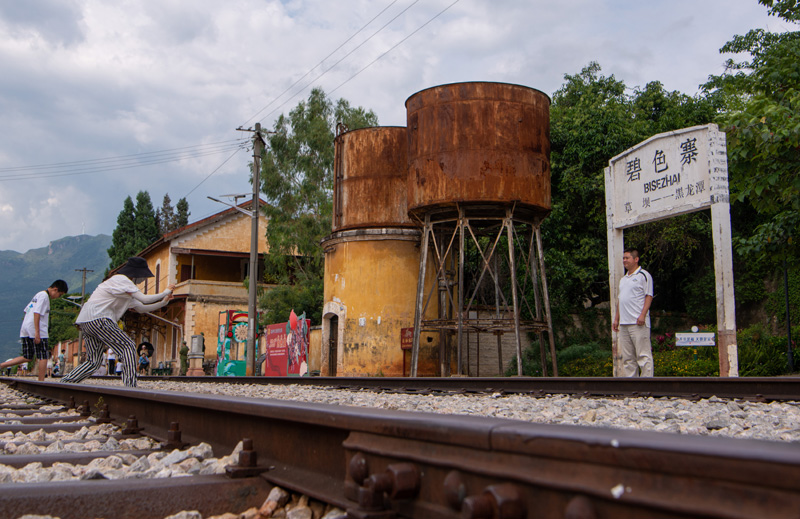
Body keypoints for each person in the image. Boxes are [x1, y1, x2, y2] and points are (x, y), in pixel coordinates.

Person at [61, 257, 174, 387]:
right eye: (142, 276)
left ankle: (66, 382)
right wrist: (165, 291)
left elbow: (142, 308)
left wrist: (164, 302)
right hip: (100, 318)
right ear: (136, 273)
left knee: (94, 361)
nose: (143, 280)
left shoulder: (123, 289)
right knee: (128, 346)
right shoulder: (122, 280)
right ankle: (130, 387)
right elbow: (144, 299)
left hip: (85, 321)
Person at [0, 280, 68, 381]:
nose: (58, 297)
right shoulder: (44, 296)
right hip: (37, 328)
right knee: (43, 355)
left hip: (25, 328)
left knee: (27, 356)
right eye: (59, 294)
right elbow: (37, 313)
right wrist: (37, 332)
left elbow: (26, 310)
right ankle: (41, 382)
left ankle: (1, 365)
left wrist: (28, 326)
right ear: (55, 289)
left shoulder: (38, 295)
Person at [613, 247, 654, 377]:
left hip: (638, 322)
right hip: (624, 323)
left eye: (627, 258)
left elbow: (649, 296)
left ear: (636, 259)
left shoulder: (644, 275)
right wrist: (616, 319)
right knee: (628, 358)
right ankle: (633, 385)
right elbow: (621, 299)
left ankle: (646, 385)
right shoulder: (623, 279)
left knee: (643, 355)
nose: (624, 260)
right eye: (623, 258)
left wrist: (642, 314)